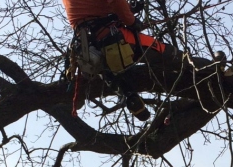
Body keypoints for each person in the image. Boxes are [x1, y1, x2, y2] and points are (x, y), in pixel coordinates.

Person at [62, 0, 190, 120]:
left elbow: (93, 9)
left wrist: (129, 8)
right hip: (110, 36)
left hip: (86, 45)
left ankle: (127, 93)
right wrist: (132, 21)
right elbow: (116, 2)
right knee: (167, 52)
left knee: (108, 69)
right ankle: (190, 66)